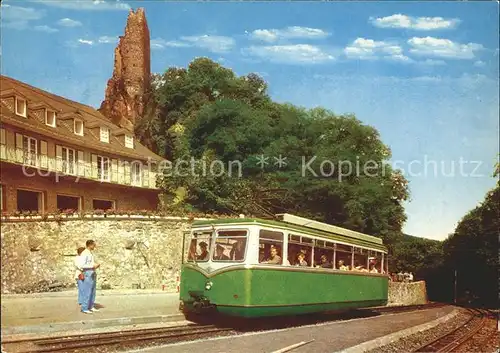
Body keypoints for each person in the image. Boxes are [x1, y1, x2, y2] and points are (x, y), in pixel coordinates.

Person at [80, 240, 100, 314]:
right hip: (88, 272)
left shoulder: (89, 253)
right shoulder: (84, 253)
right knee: (87, 291)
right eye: (94, 245)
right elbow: (82, 265)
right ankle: (84, 307)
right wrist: (92, 266)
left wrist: (95, 265)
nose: (94, 246)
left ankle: (91, 306)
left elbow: (90, 262)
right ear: (90, 245)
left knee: (92, 291)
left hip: (92, 272)